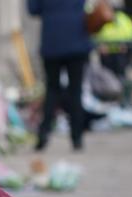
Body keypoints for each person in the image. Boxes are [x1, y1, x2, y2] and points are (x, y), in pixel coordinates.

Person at [29, 0, 94, 151]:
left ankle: (43, 134)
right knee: (76, 90)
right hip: (77, 39)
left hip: (52, 41)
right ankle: (77, 138)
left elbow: (33, 9)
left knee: (52, 89)